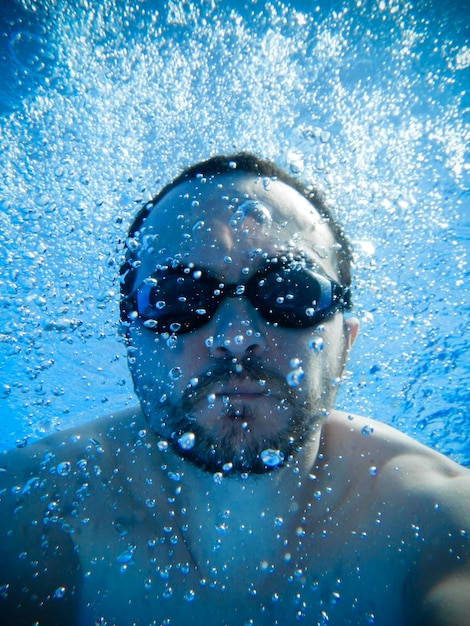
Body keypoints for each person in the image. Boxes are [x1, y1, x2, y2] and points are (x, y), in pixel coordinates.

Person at [0, 153, 469, 626]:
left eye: (291, 291)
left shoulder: (438, 520)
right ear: (131, 342)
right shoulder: (34, 507)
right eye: (179, 296)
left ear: (344, 344)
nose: (237, 336)